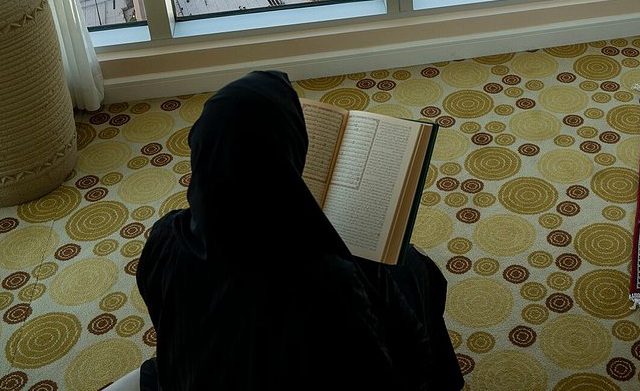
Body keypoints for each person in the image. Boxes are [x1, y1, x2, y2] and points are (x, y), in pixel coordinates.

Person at [125, 69, 464, 390]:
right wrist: (370, 276)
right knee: (411, 267)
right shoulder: (324, 281)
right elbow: (402, 368)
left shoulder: (165, 239)